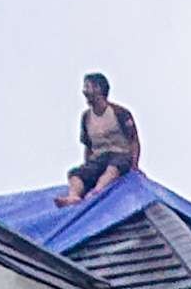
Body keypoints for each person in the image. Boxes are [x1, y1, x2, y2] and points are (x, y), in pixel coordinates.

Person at [57, 74, 141, 204]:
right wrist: (88, 166)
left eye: (88, 86)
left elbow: (133, 140)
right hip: (99, 157)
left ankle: (97, 191)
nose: (84, 91)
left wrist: (134, 165)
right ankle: (73, 196)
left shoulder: (119, 112)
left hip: (120, 155)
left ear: (98, 89)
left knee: (112, 169)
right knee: (75, 174)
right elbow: (88, 146)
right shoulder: (86, 117)